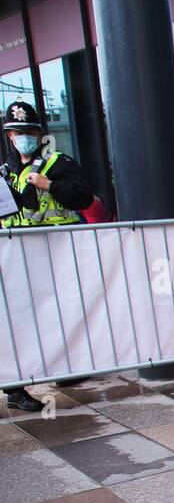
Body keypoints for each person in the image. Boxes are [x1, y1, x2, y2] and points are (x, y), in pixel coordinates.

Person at [2, 101, 95, 412]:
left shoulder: (58, 163)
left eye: (28, 131)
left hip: (56, 255)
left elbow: (84, 198)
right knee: (18, 323)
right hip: (17, 259)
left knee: (58, 314)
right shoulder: (6, 170)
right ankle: (15, 387)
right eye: (17, 132)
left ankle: (63, 366)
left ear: (39, 133)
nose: (23, 137)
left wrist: (50, 185)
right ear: (10, 136)